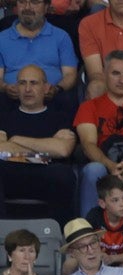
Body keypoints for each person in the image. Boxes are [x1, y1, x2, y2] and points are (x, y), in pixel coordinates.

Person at [0, 65, 78, 223]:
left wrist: (15, 140)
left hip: (47, 177)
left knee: (64, 175)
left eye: (34, 83)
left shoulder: (60, 117)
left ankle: (59, 236)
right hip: (12, 176)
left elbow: (63, 150)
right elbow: (1, 148)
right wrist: (42, 156)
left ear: (46, 87)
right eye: (22, 83)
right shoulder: (5, 117)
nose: (27, 89)